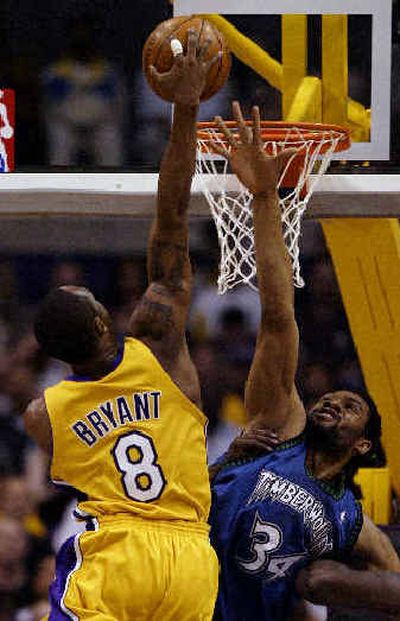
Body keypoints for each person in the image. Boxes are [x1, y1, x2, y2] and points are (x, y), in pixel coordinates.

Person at [23, 31, 219, 621]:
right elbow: (170, 216)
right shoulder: (156, 343)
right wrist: (186, 107)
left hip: (118, 556)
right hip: (190, 557)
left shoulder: (43, 414)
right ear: (108, 320)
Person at [209, 101, 400, 620]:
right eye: (333, 398)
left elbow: (392, 581)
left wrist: (349, 591)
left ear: (363, 445)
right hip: (179, 594)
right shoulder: (279, 426)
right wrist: (265, 198)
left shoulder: (351, 521)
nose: (334, 401)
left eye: (350, 407)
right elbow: (277, 316)